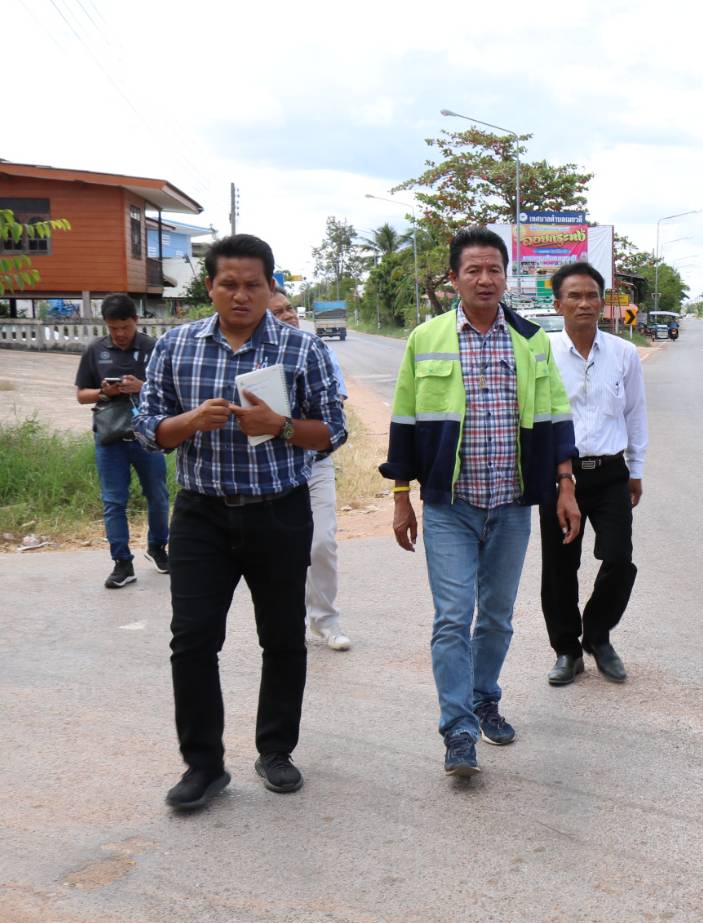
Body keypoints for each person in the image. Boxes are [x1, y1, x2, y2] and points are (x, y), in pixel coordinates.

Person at [135, 234, 347, 812]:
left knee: (282, 638)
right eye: (228, 284)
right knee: (192, 639)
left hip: (279, 510)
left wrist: (280, 426)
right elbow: (147, 429)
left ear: (270, 286)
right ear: (210, 287)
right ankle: (203, 766)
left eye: (253, 284)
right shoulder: (175, 347)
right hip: (201, 514)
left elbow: (332, 431)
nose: (241, 295)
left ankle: (275, 750)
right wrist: (188, 422)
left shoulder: (302, 349)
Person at [381, 227, 580, 779]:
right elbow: (404, 421)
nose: (486, 279)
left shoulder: (531, 339)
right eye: (474, 270)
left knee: (496, 617)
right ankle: (458, 730)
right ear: (454, 279)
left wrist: (565, 485)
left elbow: (554, 414)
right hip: (451, 506)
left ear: (506, 276)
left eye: (495, 269)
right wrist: (401, 497)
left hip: (513, 503)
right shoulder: (426, 338)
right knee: (452, 619)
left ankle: (484, 697)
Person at [538, 261, 648, 686]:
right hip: (558, 476)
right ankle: (567, 650)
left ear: (603, 302)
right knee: (560, 567)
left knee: (619, 558)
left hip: (610, 472)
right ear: (558, 304)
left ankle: (598, 636)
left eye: (591, 295)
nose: (584, 303)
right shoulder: (542, 351)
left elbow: (635, 413)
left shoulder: (623, 353)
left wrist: (636, 468)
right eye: (574, 296)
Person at [269, 290, 352, 652]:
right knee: (281, 550)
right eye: (278, 313)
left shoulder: (318, 351)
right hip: (272, 468)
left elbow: (336, 406)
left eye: (289, 308)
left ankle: (326, 620)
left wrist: (287, 423)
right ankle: (292, 620)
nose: (288, 315)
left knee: (322, 543)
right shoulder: (259, 358)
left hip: (315, 463)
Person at [74, 293, 170, 589]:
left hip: (147, 436)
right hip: (110, 437)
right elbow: (81, 395)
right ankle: (122, 563)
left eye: (124, 327)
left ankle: (157, 547)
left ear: (136, 321)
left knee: (157, 495)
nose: (119, 334)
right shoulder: (95, 350)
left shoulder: (154, 348)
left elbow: (169, 390)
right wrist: (105, 392)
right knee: (113, 501)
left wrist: (142, 387)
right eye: (113, 328)